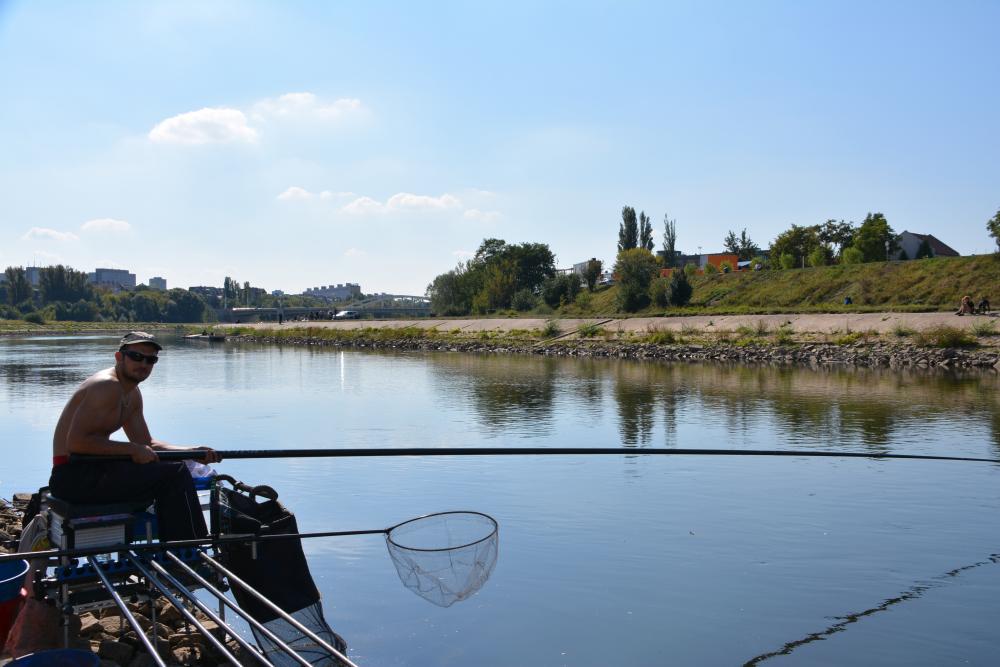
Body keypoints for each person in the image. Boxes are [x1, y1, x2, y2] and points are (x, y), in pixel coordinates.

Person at [49, 332, 221, 541]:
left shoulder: (132, 393)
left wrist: (191, 452)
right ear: (119, 357)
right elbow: (77, 443)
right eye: (136, 357)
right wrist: (132, 450)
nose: (143, 364)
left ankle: (177, 544)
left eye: (151, 360)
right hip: (72, 476)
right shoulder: (106, 385)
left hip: (92, 469)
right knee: (174, 474)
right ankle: (188, 548)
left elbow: (146, 443)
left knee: (174, 468)